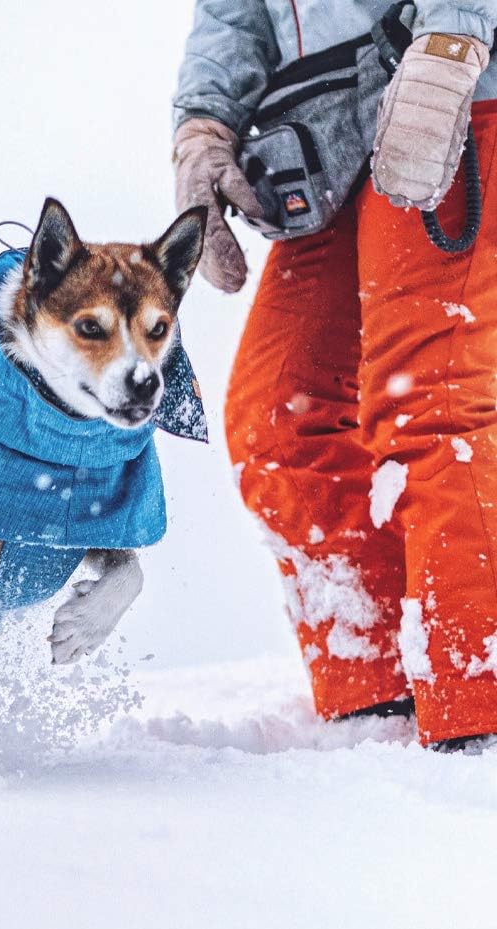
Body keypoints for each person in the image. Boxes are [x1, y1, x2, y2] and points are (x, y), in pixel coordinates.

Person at [173, 0, 497, 748]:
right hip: (325, 139)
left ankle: (475, 705)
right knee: (279, 421)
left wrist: (452, 38)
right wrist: (203, 125)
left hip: (439, 96)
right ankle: (375, 693)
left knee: (429, 403)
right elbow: (231, 13)